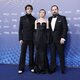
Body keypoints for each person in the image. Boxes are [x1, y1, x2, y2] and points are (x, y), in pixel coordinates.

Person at [48, 5, 68, 74]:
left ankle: (63, 69)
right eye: (53, 10)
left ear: (58, 10)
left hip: (60, 40)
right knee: (52, 55)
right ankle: (52, 68)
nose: (54, 11)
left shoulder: (62, 18)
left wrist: (63, 38)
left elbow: (65, 29)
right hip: (51, 40)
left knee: (61, 55)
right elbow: (49, 30)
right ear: (51, 11)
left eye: (55, 9)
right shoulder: (49, 18)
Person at [18, 4, 36, 74]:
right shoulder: (22, 18)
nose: (29, 10)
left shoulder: (34, 19)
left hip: (32, 39)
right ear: (25, 10)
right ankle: (21, 68)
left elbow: (34, 31)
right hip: (24, 39)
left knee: (31, 53)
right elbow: (20, 29)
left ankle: (31, 67)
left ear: (31, 10)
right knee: (23, 54)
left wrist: (35, 39)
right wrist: (20, 39)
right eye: (27, 8)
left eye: (30, 9)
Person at [34, 9, 49, 74]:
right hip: (37, 39)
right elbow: (35, 31)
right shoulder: (36, 21)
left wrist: (47, 39)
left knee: (43, 53)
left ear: (45, 14)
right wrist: (35, 39)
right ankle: (37, 68)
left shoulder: (46, 20)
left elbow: (48, 31)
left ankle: (43, 68)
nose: (42, 13)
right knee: (37, 53)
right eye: (41, 12)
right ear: (39, 13)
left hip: (44, 39)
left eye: (43, 12)